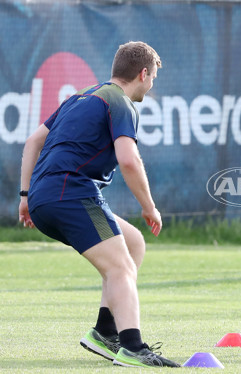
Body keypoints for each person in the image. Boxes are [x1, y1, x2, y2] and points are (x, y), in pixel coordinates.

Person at [18, 41, 180, 368]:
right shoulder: (120, 103)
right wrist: (149, 207)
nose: (152, 85)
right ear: (143, 73)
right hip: (70, 192)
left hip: (44, 195)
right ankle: (133, 347)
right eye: (153, 78)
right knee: (120, 267)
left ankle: (105, 332)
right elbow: (129, 161)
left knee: (132, 243)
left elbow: (34, 140)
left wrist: (24, 197)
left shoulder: (83, 95)